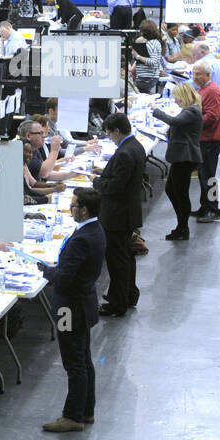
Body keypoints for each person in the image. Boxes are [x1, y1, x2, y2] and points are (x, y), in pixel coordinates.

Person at [35, 188, 106, 432]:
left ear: (84, 210)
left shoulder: (82, 238)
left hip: (69, 309)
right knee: (84, 360)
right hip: (82, 304)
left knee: (73, 362)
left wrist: (47, 270)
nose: (70, 208)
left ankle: (73, 416)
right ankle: (86, 410)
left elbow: (64, 280)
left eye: (74, 205)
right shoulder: (94, 231)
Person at [93, 113, 145, 317]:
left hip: (117, 215)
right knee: (126, 257)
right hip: (128, 212)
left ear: (117, 131)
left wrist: (98, 183)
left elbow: (116, 187)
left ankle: (117, 302)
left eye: (110, 134)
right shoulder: (135, 146)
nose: (110, 138)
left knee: (117, 261)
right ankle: (129, 294)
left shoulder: (124, 153)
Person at [152, 82, 203, 240]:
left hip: (184, 157)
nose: (176, 101)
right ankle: (182, 225)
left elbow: (174, 122)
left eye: (177, 98)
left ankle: (183, 227)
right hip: (181, 156)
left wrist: (155, 111)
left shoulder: (192, 111)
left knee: (180, 193)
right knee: (172, 190)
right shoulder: (191, 110)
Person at [191, 61, 220, 224]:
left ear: (208, 75)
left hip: (210, 140)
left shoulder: (211, 91)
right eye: (194, 73)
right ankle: (205, 206)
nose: (195, 77)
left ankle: (213, 209)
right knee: (204, 174)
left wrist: (192, 121)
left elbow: (212, 116)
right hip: (205, 139)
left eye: (198, 74)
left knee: (209, 176)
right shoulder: (204, 89)